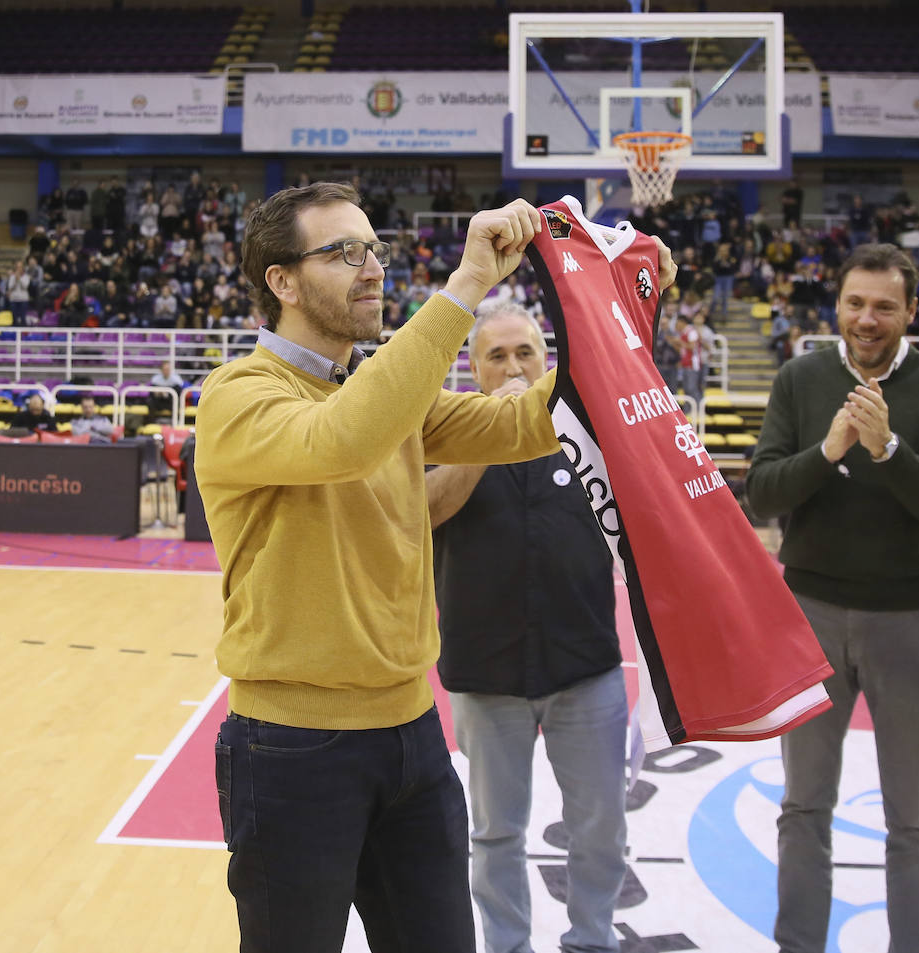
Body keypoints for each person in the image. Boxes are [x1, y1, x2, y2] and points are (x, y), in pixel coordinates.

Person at [196, 182, 673, 953]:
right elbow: (343, 440)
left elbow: (525, 421)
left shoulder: (384, 392)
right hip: (293, 745)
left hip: (412, 733)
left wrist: (622, 317)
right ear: (281, 280)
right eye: (343, 252)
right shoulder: (239, 395)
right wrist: (468, 284)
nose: (372, 267)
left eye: (374, 249)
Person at [746, 243, 919, 953]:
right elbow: (763, 493)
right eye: (855, 303)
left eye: (883, 306)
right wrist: (828, 450)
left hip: (911, 619)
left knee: (912, 815)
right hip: (810, 615)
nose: (867, 319)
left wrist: (887, 450)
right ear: (837, 305)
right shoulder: (801, 377)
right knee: (803, 806)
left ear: (912, 310)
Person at [424, 303, 628, 953]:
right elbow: (424, 512)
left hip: (586, 669)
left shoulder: (586, 434)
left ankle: (592, 940)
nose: (513, 367)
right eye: (497, 356)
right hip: (485, 675)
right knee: (495, 834)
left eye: (525, 354)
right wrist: (491, 433)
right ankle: (507, 946)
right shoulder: (443, 434)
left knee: (600, 829)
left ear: (547, 362)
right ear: (473, 370)